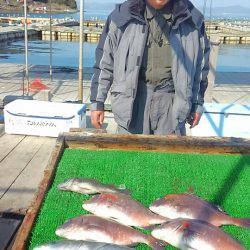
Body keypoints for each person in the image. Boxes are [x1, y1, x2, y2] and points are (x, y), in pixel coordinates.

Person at [90, 0, 210, 135]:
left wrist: (196, 104)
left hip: (172, 103)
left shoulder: (192, 20)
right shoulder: (121, 16)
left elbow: (201, 68)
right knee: (129, 154)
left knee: (169, 154)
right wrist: (97, 102)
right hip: (131, 102)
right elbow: (104, 62)